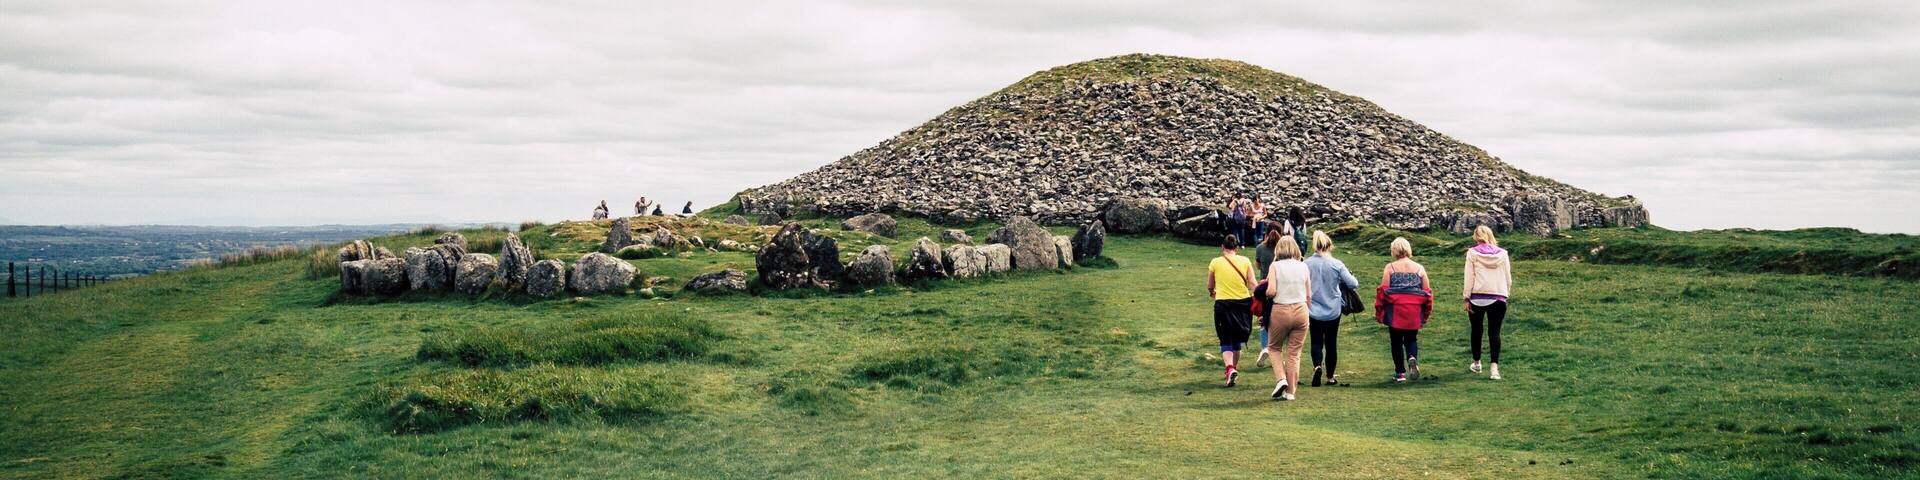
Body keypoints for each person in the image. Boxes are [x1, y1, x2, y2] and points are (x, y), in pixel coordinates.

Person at [1304, 231, 1359, 386]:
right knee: (1331, 342)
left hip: (1313, 309)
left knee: (1315, 341)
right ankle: (1330, 377)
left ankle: (1317, 366)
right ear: (1329, 246)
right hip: (1332, 309)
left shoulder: (1307, 264)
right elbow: (1353, 284)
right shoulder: (1336, 264)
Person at [1376, 237, 1433, 382]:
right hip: (1414, 310)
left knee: (1395, 341)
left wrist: (1379, 311)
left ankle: (1400, 373)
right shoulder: (1420, 269)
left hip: (1395, 311)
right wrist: (1425, 314)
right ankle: (1412, 357)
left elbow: (1383, 291)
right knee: (1411, 339)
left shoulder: (1390, 268)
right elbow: (1427, 292)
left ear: (1394, 250)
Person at [1264, 236, 1312, 400]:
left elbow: (1271, 291)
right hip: (1301, 309)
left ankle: (1281, 379)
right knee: (1294, 353)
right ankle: (1290, 392)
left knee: (1274, 348)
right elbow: (1308, 295)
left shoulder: (1275, 266)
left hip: (1281, 309)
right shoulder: (1303, 266)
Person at [1205, 234, 1256, 388]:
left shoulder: (1215, 262)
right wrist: (1257, 297)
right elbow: (1253, 282)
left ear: (1222, 247)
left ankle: (1229, 368)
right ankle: (1234, 367)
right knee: (1237, 338)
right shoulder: (1245, 261)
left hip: (1223, 303)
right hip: (1243, 303)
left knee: (1225, 337)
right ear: (1237, 248)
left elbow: (1209, 285)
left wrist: (1212, 292)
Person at [1463, 225, 1513, 380]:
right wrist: (1506, 293)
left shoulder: (1472, 253)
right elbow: (1507, 277)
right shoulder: (1503, 254)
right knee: (1495, 332)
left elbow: (1469, 276)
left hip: (1478, 296)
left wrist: (1466, 296)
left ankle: (1477, 363)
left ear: (1476, 237)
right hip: (1498, 295)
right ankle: (1494, 369)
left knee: (1476, 330)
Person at [1250, 229, 1281, 367]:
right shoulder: (1283, 249)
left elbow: (1257, 265)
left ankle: (1265, 347)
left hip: (1265, 287)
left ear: (1266, 234)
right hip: (1281, 288)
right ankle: (1276, 350)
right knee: (1278, 321)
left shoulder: (1260, 248)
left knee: (1264, 319)